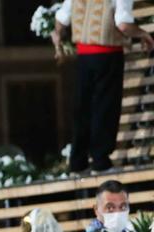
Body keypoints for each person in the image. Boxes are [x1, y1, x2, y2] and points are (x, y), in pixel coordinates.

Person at [53, 0, 154, 173]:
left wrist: (57, 34)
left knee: (83, 108)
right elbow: (123, 24)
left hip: (83, 57)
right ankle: (100, 162)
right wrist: (143, 34)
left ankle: (78, 163)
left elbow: (62, 19)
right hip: (107, 55)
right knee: (105, 107)